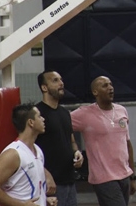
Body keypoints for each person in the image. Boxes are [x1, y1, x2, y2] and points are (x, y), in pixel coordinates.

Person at [71, 76, 136, 206]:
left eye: (111, 84)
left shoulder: (121, 110)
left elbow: (127, 144)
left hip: (124, 175)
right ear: (95, 92)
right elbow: (61, 124)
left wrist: (133, 177)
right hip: (104, 178)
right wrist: (74, 147)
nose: (110, 88)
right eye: (105, 85)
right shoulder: (85, 113)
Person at [0, 102, 58, 206]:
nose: (43, 119)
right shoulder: (13, 154)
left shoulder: (38, 150)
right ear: (31, 122)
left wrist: (44, 200)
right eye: (39, 116)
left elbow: (28, 191)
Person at [36, 70, 84, 206]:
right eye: (55, 80)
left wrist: (77, 153)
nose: (61, 83)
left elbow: (71, 141)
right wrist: (45, 174)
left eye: (61, 80)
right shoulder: (37, 114)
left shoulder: (65, 113)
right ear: (44, 87)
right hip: (51, 183)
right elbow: (28, 148)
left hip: (69, 181)